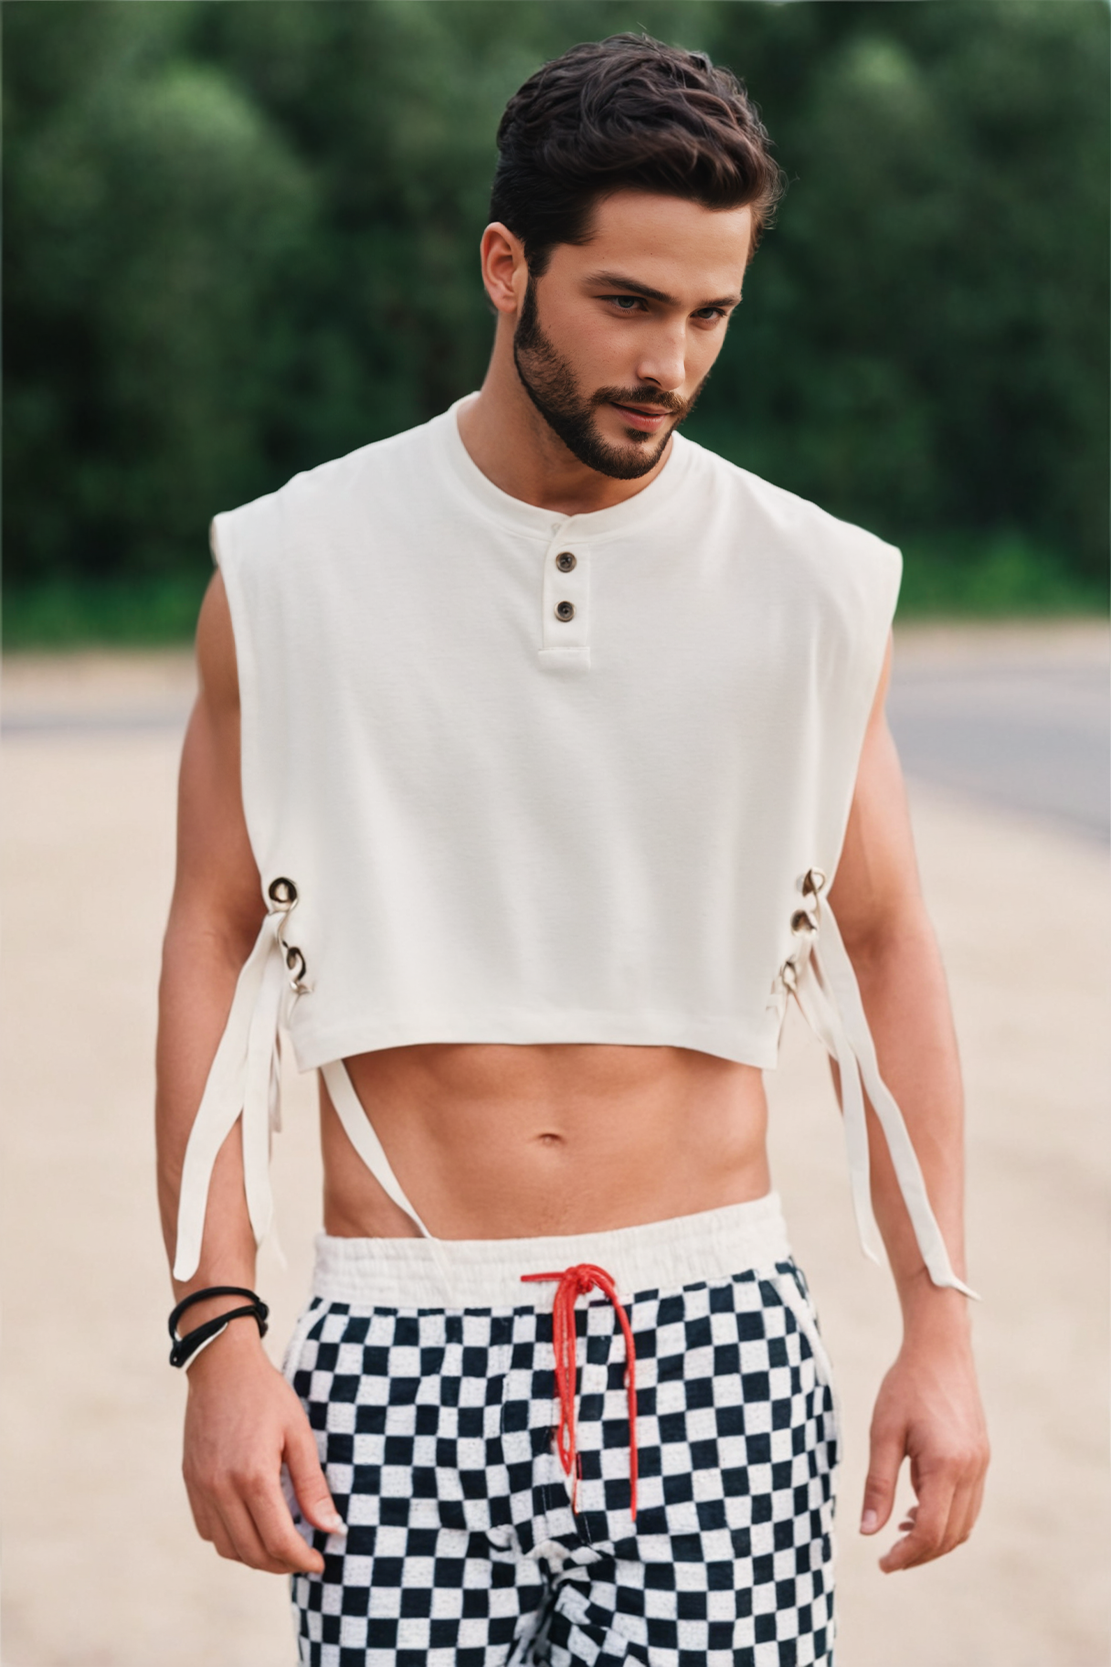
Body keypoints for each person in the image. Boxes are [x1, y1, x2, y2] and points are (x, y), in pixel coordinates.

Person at [156, 34, 988, 1667]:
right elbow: (212, 933)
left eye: (709, 314)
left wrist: (938, 1320)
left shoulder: (812, 585)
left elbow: (884, 943)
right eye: (625, 302)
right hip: (392, 1348)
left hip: (713, 1341)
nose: (667, 361)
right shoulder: (292, 567)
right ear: (506, 266)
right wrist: (217, 1330)